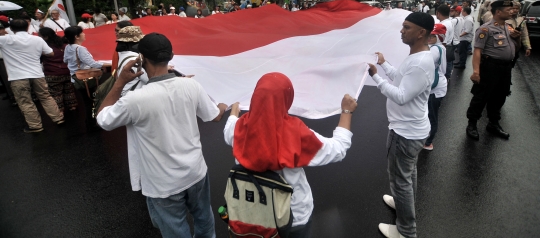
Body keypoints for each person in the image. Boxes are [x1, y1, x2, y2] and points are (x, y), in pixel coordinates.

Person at [96, 33, 228, 238]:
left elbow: (103, 119)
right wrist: (221, 105)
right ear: (171, 55)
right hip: (196, 172)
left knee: (176, 230)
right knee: (204, 220)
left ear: (142, 58)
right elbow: (215, 116)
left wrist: (120, 81)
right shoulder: (190, 85)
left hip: (163, 183)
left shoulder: (134, 100)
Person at [224, 73, 357, 237]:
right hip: (292, 216)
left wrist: (233, 113)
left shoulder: (239, 127)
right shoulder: (295, 134)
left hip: (252, 213)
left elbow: (227, 130)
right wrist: (346, 111)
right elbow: (338, 149)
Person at [368, 12, 435, 238]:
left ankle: (406, 231)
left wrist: (376, 78)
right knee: (407, 174)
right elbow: (400, 79)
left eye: (406, 27)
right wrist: (384, 64)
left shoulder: (420, 63)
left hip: (405, 133)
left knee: (400, 180)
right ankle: (402, 202)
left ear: (421, 33)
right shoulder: (417, 56)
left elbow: (401, 95)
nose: (401, 31)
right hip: (410, 129)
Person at [465, 0, 520, 141]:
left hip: (505, 68)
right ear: (498, 12)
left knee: (500, 96)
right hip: (490, 68)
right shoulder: (485, 29)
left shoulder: (508, 28)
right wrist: (476, 72)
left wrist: (517, 38)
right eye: (508, 10)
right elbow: (478, 51)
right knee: (481, 96)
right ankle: (472, 124)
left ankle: (493, 123)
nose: (512, 12)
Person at [0, 19, 64, 132]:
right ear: (27, 27)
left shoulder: (5, 40)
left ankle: (36, 126)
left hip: (18, 76)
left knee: (25, 101)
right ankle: (58, 118)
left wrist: (3, 33)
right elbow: (50, 53)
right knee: (45, 97)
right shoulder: (37, 39)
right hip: (37, 73)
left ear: (11, 29)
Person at [63, 26, 104, 128]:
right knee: (91, 100)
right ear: (77, 36)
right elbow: (91, 63)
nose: (84, 34)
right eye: (82, 33)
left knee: (86, 100)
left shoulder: (68, 47)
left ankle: (89, 122)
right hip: (86, 78)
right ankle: (92, 123)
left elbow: (65, 60)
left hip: (75, 78)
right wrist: (104, 65)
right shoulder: (80, 49)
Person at [38, 27, 77, 112]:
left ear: (45, 37)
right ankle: (72, 106)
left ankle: (59, 111)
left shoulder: (44, 48)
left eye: (40, 36)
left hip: (52, 74)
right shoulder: (65, 45)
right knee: (69, 90)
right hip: (67, 72)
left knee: (55, 93)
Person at [424, 24, 447, 150]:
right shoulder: (439, 47)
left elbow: (423, 62)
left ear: (439, 37)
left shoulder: (434, 50)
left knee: (431, 116)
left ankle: (428, 142)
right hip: (438, 85)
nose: (429, 38)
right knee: (431, 114)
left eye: (433, 36)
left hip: (435, 89)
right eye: (429, 35)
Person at [115, 26, 149, 96]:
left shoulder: (122, 54)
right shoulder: (134, 59)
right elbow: (149, 79)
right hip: (133, 98)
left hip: (126, 95)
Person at [435, 4, 455, 79]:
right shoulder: (450, 22)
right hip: (449, 46)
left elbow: (443, 41)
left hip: (444, 47)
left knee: (443, 66)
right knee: (448, 64)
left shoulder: (442, 25)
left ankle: (445, 78)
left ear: (438, 13)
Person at [0, 19, 17, 106]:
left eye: (1, 29)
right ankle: (11, 95)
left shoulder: (10, 36)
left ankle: (15, 95)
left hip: (11, 59)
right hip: (2, 60)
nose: (1, 31)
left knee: (12, 78)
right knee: (5, 79)